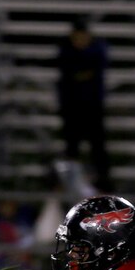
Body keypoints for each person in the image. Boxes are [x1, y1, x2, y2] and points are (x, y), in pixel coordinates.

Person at [56, 18, 111, 189]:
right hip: (72, 106)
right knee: (72, 146)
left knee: (97, 146)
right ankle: (70, 183)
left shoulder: (96, 50)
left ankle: (103, 183)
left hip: (92, 106)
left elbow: (97, 65)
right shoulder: (66, 51)